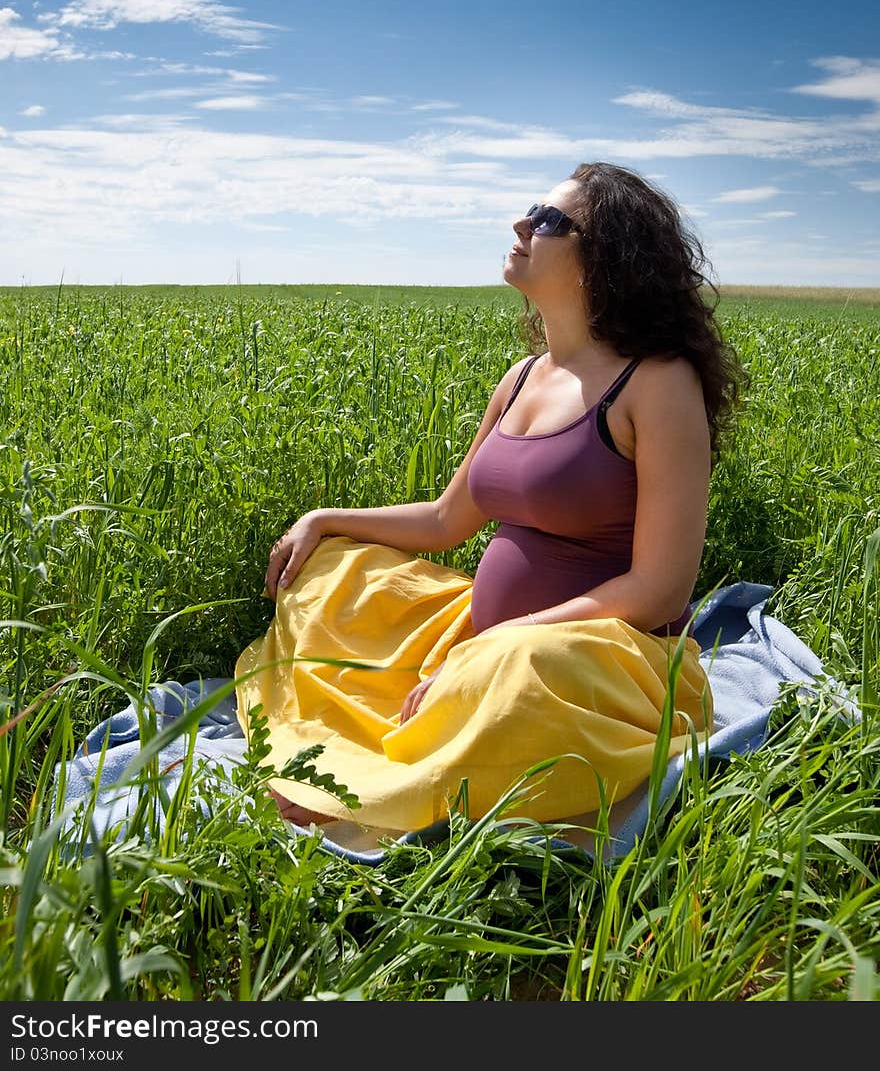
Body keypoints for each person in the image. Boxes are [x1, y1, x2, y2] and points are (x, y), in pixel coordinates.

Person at [237, 161, 747, 833]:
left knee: (520, 675)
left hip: (592, 665)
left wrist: (506, 639)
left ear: (606, 257)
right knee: (338, 571)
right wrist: (322, 521)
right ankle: (432, 722)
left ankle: (380, 788)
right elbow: (448, 520)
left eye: (548, 220)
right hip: (485, 639)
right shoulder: (522, 377)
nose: (521, 225)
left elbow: (658, 588)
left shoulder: (657, 383)